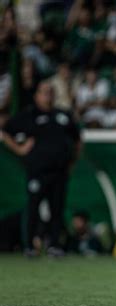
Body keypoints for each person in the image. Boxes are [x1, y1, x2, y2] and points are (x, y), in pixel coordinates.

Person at [2, 81, 82, 257]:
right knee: (33, 208)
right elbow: (5, 131)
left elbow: (78, 139)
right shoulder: (29, 115)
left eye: (51, 92)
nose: (48, 96)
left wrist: (72, 163)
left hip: (60, 171)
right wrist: (19, 149)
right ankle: (29, 246)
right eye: (45, 92)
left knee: (57, 209)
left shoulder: (63, 116)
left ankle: (54, 245)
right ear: (36, 95)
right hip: (38, 171)